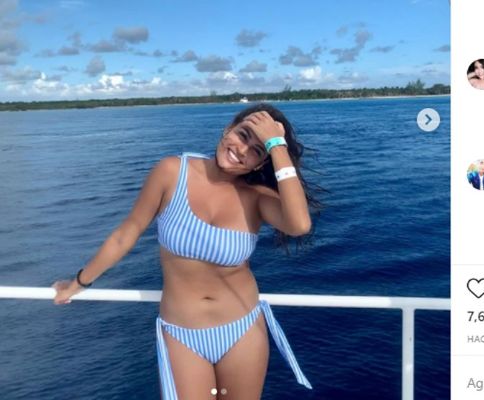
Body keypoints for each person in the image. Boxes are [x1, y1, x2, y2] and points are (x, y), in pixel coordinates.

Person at [51, 103, 316, 399]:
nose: (242, 150)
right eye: (243, 135)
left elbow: (299, 225)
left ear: (260, 164)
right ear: (228, 129)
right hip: (182, 333)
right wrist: (78, 283)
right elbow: (125, 235)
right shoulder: (172, 172)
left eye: (256, 150)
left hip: (243, 329)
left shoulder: (256, 198)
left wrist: (276, 145)